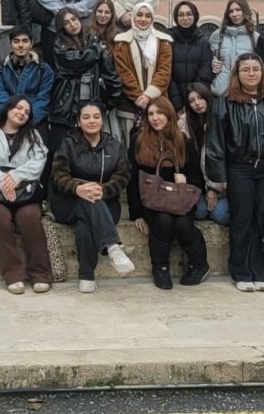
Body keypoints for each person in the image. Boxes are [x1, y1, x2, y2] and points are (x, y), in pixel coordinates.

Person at [205, 53, 264, 292]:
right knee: (242, 219)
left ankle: (261, 272)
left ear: (262, 72)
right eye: (246, 70)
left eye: (255, 69)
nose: (251, 74)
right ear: (237, 74)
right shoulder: (226, 103)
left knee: (262, 219)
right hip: (240, 169)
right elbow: (216, 142)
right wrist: (218, 178)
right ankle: (241, 272)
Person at [49, 102, 135, 293]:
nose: (91, 121)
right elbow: (58, 175)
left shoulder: (114, 145)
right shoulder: (68, 144)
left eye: (96, 116)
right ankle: (113, 247)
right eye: (86, 117)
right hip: (68, 202)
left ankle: (87, 277)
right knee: (89, 200)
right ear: (78, 121)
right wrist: (77, 188)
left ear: (102, 120)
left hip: (106, 202)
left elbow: (123, 176)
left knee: (86, 224)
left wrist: (104, 190)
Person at [0, 97, 53, 294]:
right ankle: (13, 274)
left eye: (26, 112)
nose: (22, 113)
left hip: (24, 191)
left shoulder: (33, 135)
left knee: (30, 218)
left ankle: (40, 274)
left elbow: (39, 160)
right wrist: (1, 180)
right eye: (19, 108)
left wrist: (16, 176)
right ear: (8, 109)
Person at [128, 96, 208, 289]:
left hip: (179, 198)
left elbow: (197, 178)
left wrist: (186, 180)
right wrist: (136, 213)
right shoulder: (139, 140)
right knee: (163, 221)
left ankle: (199, 264)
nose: (155, 118)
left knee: (182, 224)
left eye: (160, 113)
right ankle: (160, 267)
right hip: (152, 199)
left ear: (169, 115)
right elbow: (132, 178)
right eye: (151, 114)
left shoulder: (184, 142)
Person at [49, 7, 120, 158]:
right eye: (66, 23)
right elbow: (77, 61)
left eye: (74, 19)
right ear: (62, 28)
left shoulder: (93, 42)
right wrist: (96, 51)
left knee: (88, 154)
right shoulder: (59, 46)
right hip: (65, 109)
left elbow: (111, 75)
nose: (72, 24)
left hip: (91, 108)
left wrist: (109, 103)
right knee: (61, 154)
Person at [113, 2, 173, 141]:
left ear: (152, 19)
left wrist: (148, 97)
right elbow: (123, 72)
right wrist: (139, 97)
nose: (143, 19)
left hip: (158, 104)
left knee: (158, 145)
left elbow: (164, 71)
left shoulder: (164, 41)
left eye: (147, 16)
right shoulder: (121, 41)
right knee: (130, 146)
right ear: (133, 17)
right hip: (129, 105)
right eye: (139, 15)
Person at [179, 82, 229, 226]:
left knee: (219, 214)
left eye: (200, 98)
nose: (197, 103)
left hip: (223, 184)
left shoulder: (220, 118)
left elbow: (221, 158)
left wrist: (214, 188)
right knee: (199, 211)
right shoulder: (186, 124)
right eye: (192, 101)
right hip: (199, 184)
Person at [0, 27, 55, 127]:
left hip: (34, 120)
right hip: (7, 120)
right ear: (10, 44)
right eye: (16, 41)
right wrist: (12, 119)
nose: (21, 45)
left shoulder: (44, 70)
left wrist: (28, 120)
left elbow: (43, 99)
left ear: (31, 43)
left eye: (25, 41)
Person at [168, 1, 214, 114]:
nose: (185, 18)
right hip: (173, 102)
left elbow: (205, 72)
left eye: (189, 14)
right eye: (181, 15)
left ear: (195, 16)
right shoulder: (168, 40)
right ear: (176, 17)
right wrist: (177, 102)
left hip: (197, 102)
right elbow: (167, 72)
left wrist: (194, 98)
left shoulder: (203, 42)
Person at [209, 0, 256, 96]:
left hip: (246, 93)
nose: (234, 14)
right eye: (231, 11)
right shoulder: (218, 35)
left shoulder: (255, 37)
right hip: (221, 92)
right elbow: (208, 56)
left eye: (238, 10)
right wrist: (213, 62)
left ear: (245, 11)